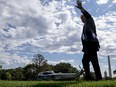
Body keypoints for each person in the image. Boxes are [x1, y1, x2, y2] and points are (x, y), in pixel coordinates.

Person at [76, 0, 102, 81]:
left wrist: (81, 8)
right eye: (81, 19)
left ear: (85, 17)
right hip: (87, 46)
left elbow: (88, 15)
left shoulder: (90, 21)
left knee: (94, 62)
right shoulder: (85, 26)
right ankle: (89, 77)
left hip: (92, 44)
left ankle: (99, 78)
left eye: (82, 17)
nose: (82, 19)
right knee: (84, 61)